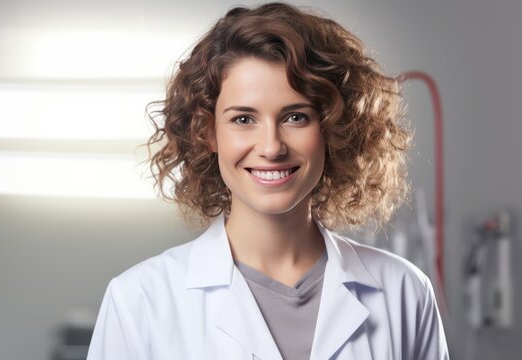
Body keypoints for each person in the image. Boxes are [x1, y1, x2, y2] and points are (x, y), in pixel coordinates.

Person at [87, 2, 449, 359]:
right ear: (207, 133)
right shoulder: (140, 300)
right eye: (244, 120)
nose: (271, 147)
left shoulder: (404, 292)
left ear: (331, 128)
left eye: (295, 117)